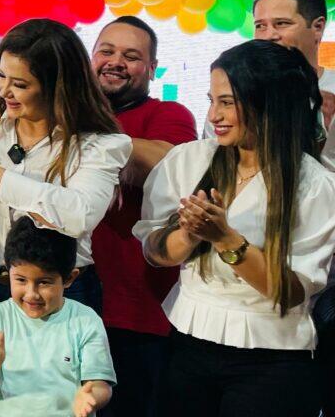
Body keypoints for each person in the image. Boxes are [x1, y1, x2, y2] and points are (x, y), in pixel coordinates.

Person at [0, 18, 132, 416]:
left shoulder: (101, 143)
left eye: (20, 84)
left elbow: (78, 214)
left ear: (58, 85)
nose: (4, 90)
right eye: (1, 76)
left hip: (62, 293)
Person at [134, 40, 335, 416]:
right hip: (188, 345)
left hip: (274, 359)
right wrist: (188, 234)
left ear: (269, 103)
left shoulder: (315, 186)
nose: (214, 115)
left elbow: (289, 291)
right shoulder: (189, 160)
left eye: (227, 102)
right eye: (211, 100)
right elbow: (156, 253)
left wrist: (226, 239)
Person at [88, 16, 196, 417]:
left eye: (131, 56)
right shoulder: (60, 117)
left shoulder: (170, 113)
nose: (116, 61)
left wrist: (84, 135)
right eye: (106, 51)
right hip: (69, 308)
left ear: (152, 69)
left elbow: (170, 164)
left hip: (142, 317)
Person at [0, 217, 115, 417]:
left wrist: (91, 396)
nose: (31, 294)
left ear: (69, 278)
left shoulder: (86, 320)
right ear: (8, 272)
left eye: (44, 282)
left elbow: (101, 384)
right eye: (21, 280)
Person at [204, 0, 334, 137]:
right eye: (260, 26)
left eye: (281, 23)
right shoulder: (233, 93)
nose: (268, 36)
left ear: (318, 27)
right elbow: (214, 150)